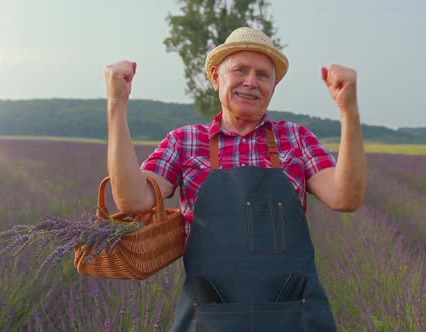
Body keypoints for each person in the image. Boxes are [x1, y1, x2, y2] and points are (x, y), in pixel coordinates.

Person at [104, 27, 366, 332]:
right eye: (240, 70)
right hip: (211, 317)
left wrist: (349, 111)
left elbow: (345, 197)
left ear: (274, 85)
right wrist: (116, 106)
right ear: (216, 77)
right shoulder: (184, 142)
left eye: (263, 75)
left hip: (295, 318)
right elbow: (132, 199)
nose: (251, 82)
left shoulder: (296, 138)